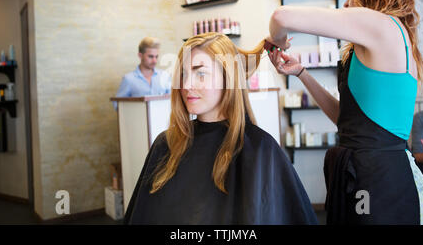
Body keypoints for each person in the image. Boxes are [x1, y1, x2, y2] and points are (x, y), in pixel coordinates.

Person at [266, 0, 423, 224]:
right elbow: (345, 120)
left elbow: (280, 17)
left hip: (376, 177)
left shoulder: (383, 25)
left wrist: (277, 41)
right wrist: (301, 73)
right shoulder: (383, 40)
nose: (346, 4)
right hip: (364, 171)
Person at [124, 32, 318, 224]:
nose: (187, 84)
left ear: (228, 78)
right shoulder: (166, 144)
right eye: (183, 74)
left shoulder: (260, 148)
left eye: (201, 73)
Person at [113, 37, 171, 110]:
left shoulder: (164, 76)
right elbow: (117, 105)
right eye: (150, 56)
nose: (154, 61)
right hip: (137, 120)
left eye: (156, 57)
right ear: (140, 55)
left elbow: (173, 101)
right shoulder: (128, 79)